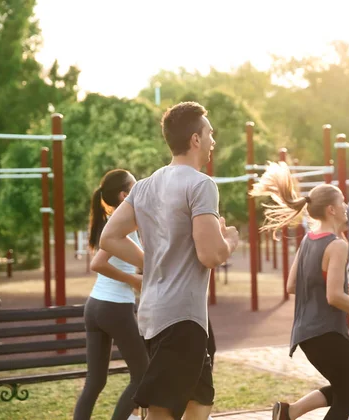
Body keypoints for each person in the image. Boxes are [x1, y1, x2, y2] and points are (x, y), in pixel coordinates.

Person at [99, 102, 239, 420]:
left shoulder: (145, 186)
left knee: (200, 400)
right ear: (195, 139)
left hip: (154, 315)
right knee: (163, 411)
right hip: (182, 319)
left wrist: (152, 263)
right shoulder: (201, 184)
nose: (213, 140)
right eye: (210, 133)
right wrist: (230, 238)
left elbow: (109, 238)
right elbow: (211, 254)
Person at [250, 161, 349, 420]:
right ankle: (289, 414)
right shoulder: (336, 245)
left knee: (344, 387)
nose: (348, 207)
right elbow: (333, 297)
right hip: (326, 332)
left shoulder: (308, 239)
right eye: (344, 202)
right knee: (347, 392)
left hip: (305, 333)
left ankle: (289, 413)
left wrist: (330, 282)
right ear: (332, 209)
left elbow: (293, 285)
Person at [73, 169, 148, 420]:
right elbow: (97, 264)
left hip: (95, 306)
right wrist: (134, 280)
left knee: (95, 383)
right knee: (142, 375)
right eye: (135, 186)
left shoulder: (118, 220)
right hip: (114, 308)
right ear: (124, 194)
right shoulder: (120, 223)